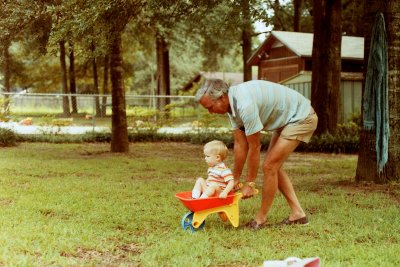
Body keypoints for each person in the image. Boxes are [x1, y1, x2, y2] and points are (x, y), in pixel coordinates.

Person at [195, 79, 318, 229]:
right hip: (286, 119)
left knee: (270, 166)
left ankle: (261, 219)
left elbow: (254, 146)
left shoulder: (245, 105)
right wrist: (235, 178)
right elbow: (240, 144)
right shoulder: (231, 106)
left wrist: (250, 183)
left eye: (210, 107)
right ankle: (298, 214)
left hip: (301, 117)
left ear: (222, 97)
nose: (210, 111)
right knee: (273, 166)